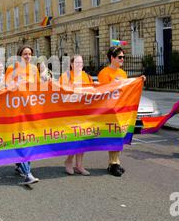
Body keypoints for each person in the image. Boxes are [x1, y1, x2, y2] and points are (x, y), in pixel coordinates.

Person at [98, 46, 146, 177]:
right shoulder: (104, 73)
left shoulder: (123, 73)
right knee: (113, 136)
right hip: (109, 110)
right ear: (112, 58)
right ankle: (112, 164)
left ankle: (116, 162)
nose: (122, 59)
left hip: (121, 110)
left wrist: (139, 80)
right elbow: (102, 92)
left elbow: (127, 89)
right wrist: (114, 83)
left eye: (123, 57)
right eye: (120, 57)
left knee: (120, 136)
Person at [5, 45, 40, 185]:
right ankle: (27, 173)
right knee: (21, 138)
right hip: (16, 109)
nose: (27, 56)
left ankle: (20, 165)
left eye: (30, 53)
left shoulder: (33, 69)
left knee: (28, 138)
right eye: (25, 54)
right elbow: (6, 87)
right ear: (19, 55)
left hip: (29, 108)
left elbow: (37, 88)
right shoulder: (12, 69)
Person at [59, 55, 94, 176]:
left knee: (82, 138)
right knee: (74, 138)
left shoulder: (86, 76)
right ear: (71, 64)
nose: (80, 64)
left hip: (84, 111)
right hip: (71, 112)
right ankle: (69, 161)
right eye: (77, 62)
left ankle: (79, 165)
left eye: (81, 62)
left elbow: (93, 90)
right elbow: (61, 93)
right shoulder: (65, 76)